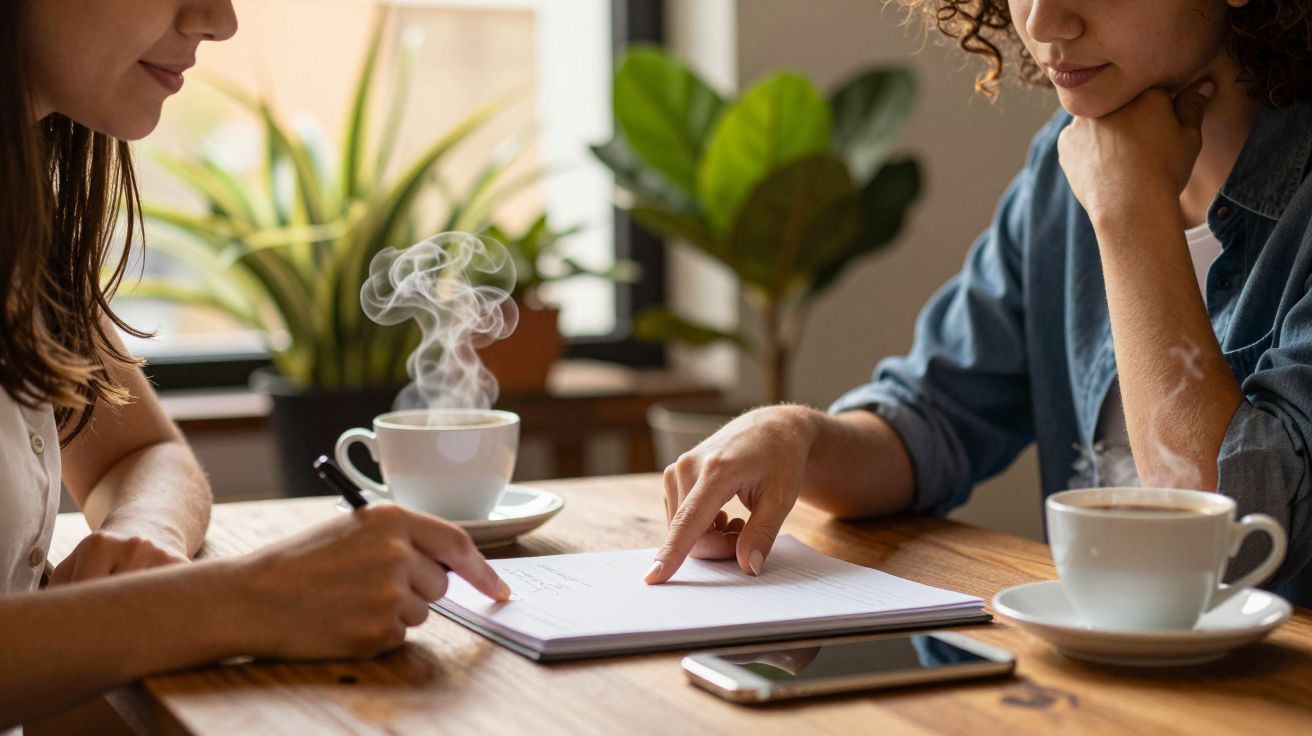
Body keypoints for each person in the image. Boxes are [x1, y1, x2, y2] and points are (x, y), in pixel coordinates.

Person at [646, 0, 1312, 608]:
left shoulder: (1110, 177)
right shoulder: (1068, 165)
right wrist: (793, 436)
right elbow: (932, 418)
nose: (1042, 22)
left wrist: (1132, 213)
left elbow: (1234, 546)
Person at [0, 2, 511, 729]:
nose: (219, 19)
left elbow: (140, 452)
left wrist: (148, 536)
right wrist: (247, 599)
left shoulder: (22, 230)